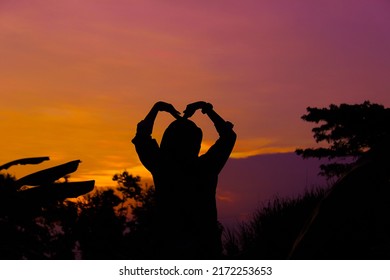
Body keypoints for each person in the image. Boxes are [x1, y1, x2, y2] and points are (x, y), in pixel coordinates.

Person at [132, 101, 236, 258]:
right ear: (196, 144)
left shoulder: (162, 167)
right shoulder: (206, 168)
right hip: (205, 249)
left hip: (168, 249)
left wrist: (157, 108)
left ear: (166, 142)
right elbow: (228, 136)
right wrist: (206, 109)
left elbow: (142, 137)